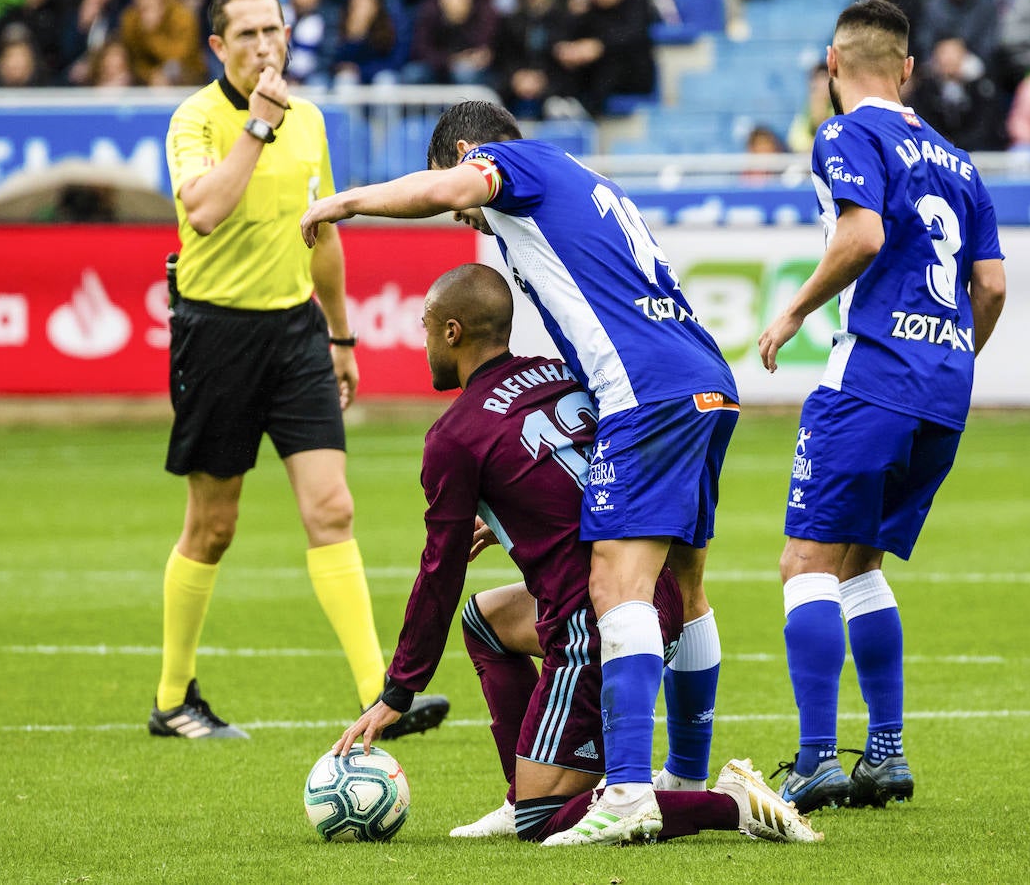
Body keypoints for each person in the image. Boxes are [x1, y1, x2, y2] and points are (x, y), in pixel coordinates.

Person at [300, 100, 739, 846]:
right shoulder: (583, 183)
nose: (462, 219)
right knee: (686, 589)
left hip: (648, 388)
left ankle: (635, 794)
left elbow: (449, 190)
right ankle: (685, 782)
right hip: (702, 378)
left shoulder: (523, 167)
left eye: (460, 188)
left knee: (616, 586)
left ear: (471, 154)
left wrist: (342, 204)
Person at [330, 263, 818, 847]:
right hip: (650, 586)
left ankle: (730, 803)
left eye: (428, 327)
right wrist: (515, 523)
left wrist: (397, 692)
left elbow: (439, 570)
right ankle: (525, 793)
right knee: (484, 622)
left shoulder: (454, 436)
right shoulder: (560, 374)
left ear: (453, 333)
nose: (424, 339)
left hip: (592, 619)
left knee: (546, 822)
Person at [151, 0, 449, 741]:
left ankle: (378, 695)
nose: (263, 46)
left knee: (332, 507)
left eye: (272, 31)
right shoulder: (197, 120)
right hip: (215, 333)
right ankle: (173, 699)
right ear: (218, 47)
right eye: (245, 34)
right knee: (213, 526)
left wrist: (341, 335)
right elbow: (206, 213)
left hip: (295, 335)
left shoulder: (310, 121)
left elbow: (324, 232)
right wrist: (255, 127)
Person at [756, 0, 1006, 813]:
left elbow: (861, 237)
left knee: (805, 563)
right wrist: (954, 355)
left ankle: (819, 756)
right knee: (860, 564)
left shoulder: (845, 133)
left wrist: (794, 310)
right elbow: (992, 285)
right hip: (944, 386)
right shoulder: (960, 161)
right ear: (906, 70)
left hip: (871, 378)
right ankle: (887, 755)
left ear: (833, 64)